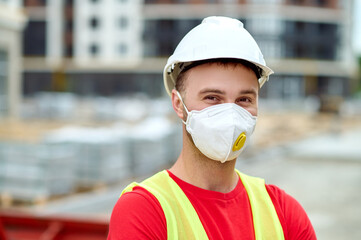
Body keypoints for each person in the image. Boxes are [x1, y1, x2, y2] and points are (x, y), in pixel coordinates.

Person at [107, 16, 316, 240]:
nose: (231, 114)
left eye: (244, 99)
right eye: (213, 98)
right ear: (178, 104)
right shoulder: (145, 210)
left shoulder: (282, 212)